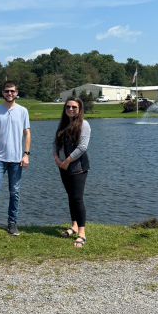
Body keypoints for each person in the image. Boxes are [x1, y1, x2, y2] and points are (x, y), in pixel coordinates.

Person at [0, 81, 30, 238]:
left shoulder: (23, 111)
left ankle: (12, 223)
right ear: (2, 92)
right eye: (7, 91)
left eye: (12, 91)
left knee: (14, 193)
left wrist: (26, 154)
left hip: (16, 160)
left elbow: (26, 133)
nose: (10, 93)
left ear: (17, 92)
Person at [52, 96, 91, 248]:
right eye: (68, 107)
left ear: (79, 109)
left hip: (77, 167)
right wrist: (56, 158)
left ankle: (82, 233)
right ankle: (74, 225)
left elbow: (82, 147)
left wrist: (67, 161)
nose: (70, 109)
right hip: (62, 166)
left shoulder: (84, 124)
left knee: (77, 198)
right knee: (70, 197)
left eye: (74, 107)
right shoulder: (62, 124)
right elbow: (55, 143)